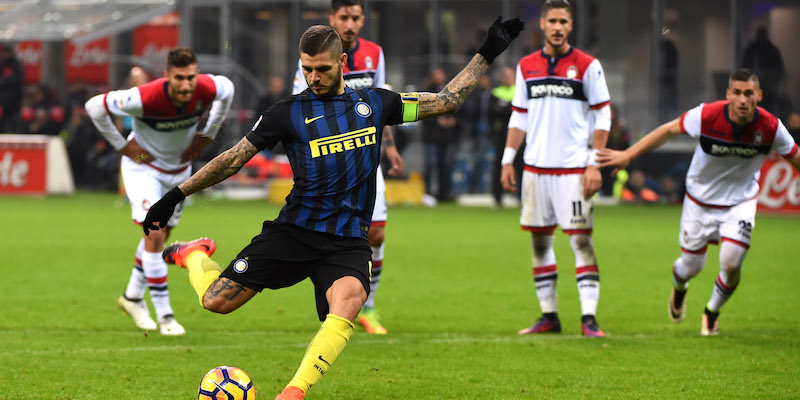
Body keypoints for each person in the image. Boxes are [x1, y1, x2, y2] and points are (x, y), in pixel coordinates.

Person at [141, 20, 523, 400]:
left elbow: (447, 101)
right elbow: (232, 159)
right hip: (294, 232)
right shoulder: (286, 113)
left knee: (351, 299)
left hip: (346, 242)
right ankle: (193, 255)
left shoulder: (375, 103)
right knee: (216, 302)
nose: (314, 77)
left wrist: (487, 52)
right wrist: (175, 195)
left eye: (322, 69)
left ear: (342, 62)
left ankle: (294, 391)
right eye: (306, 68)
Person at [598, 69, 800, 336]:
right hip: (699, 201)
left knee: (731, 263)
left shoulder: (771, 127)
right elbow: (668, 130)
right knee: (691, 266)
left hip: (740, 202)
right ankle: (680, 286)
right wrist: (628, 155)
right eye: (737, 93)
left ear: (758, 96)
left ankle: (712, 311)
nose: (742, 99)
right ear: (728, 94)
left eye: (748, 93)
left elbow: (796, 157)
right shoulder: (707, 116)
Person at [84, 47, 234, 335]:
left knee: (161, 237)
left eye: (191, 77)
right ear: (167, 76)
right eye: (179, 78)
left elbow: (228, 91)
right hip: (142, 167)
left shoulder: (208, 87)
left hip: (177, 173)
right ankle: (165, 316)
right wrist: (124, 147)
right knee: (154, 233)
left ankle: (131, 298)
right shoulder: (145, 97)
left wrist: (209, 135)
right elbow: (94, 107)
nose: (186, 84)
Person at [292, 0, 404, 334]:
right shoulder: (314, 56)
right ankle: (334, 296)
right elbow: (298, 108)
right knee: (328, 232)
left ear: (363, 20)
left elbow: (382, 103)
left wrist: (391, 147)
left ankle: (367, 308)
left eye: (356, 18)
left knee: (377, 232)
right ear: (332, 19)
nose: (351, 24)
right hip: (329, 160)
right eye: (344, 17)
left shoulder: (374, 53)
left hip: (367, 157)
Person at [500, 0, 611, 337]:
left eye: (564, 21)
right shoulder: (526, 66)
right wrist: (508, 157)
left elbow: (603, 114)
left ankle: (589, 318)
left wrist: (595, 163)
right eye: (553, 21)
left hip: (573, 171)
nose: (559, 27)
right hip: (535, 170)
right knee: (539, 242)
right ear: (543, 25)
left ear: (571, 26)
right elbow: (520, 115)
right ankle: (549, 316)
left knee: (581, 241)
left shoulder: (589, 65)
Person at [421, 67, 458, 202]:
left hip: (447, 137)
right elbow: (422, 112)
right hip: (432, 137)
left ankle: (444, 193)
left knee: (446, 165)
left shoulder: (451, 90)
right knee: (431, 165)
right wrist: (437, 120)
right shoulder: (426, 91)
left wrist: (453, 120)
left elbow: (458, 108)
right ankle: (428, 193)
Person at [742, 27, 790, 119]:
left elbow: (778, 70)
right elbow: (745, 68)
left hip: (768, 87)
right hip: (756, 85)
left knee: (767, 109)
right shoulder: (753, 50)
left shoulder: (770, 50)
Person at [0, 43, 24, 133]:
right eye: (5, 52)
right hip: (2, 99)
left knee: (15, 121)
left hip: (14, 99)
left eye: (8, 52)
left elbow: (18, 80)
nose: (7, 54)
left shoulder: (17, 64)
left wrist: (5, 81)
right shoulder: (1, 64)